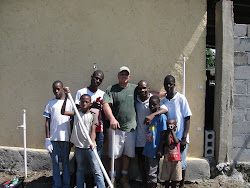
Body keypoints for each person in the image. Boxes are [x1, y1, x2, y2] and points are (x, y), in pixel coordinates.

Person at [61, 88, 105, 188]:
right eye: (82, 102)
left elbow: (93, 131)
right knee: (80, 169)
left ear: (90, 103)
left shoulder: (93, 115)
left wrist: (93, 142)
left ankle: (101, 186)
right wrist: (67, 97)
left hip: (90, 147)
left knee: (96, 170)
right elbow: (63, 112)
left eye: (86, 102)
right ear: (79, 103)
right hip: (79, 147)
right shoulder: (76, 113)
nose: (84, 104)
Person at [103, 66, 136, 188]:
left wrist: (165, 94)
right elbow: (105, 104)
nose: (124, 76)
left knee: (128, 154)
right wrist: (112, 118)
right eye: (122, 74)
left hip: (131, 129)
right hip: (116, 130)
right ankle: (112, 178)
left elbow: (148, 93)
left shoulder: (134, 88)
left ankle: (124, 178)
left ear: (129, 76)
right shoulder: (111, 89)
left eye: (126, 74)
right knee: (114, 155)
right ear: (118, 76)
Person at [160, 75, 192, 188]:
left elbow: (187, 117)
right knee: (170, 163)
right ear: (164, 85)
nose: (168, 86)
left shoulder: (181, 98)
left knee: (181, 164)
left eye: (171, 84)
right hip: (169, 139)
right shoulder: (163, 101)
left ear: (174, 85)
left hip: (180, 137)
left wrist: (184, 138)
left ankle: (181, 185)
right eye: (166, 84)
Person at [135, 80, 168, 186]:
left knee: (152, 170)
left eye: (145, 88)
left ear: (148, 89)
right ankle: (146, 183)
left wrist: (152, 115)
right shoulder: (136, 100)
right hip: (141, 138)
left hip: (153, 143)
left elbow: (164, 109)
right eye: (140, 88)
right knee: (142, 162)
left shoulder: (153, 101)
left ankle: (152, 183)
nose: (142, 90)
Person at [43, 80, 71, 188]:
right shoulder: (50, 104)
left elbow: (72, 121)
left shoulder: (69, 103)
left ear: (62, 89)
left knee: (65, 163)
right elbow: (47, 122)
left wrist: (71, 138)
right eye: (54, 89)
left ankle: (66, 184)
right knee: (55, 163)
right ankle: (57, 184)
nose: (56, 91)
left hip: (65, 138)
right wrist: (47, 139)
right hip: (53, 139)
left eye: (58, 89)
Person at [75, 70, 105, 158]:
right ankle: (81, 171)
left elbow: (103, 113)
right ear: (91, 77)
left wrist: (105, 132)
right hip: (83, 128)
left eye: (100, 80)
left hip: (98, 128)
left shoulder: (102, 94)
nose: (98, 81)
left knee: (97, 155)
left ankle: (95, 172)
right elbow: (76, 109)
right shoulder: (81, 92)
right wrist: (91, 106)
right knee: (82, 155)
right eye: (96, 78)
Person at [142, 95, 167, 188]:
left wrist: (160, 149)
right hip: (148, 149)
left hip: (155, 150)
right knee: (148, 171)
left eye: (154, 105)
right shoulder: (151, 117)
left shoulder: (162, 117)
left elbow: (164, 134)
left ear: (159, 105)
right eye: (150, 105)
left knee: (153, 173)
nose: (151, 107)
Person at [158, 119, 182, 188]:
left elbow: (176, 141)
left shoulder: (178, 133)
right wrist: (168, 132)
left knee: (175, 179)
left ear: (175, 126)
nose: (170, 126)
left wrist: (172, 131)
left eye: (172, 125)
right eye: (168, 125)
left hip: (176, 160)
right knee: (166, 179)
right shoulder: (165, 134)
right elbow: (168, 143)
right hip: (167, 160)